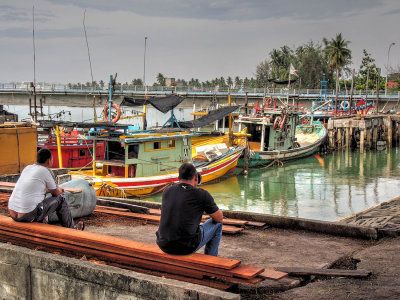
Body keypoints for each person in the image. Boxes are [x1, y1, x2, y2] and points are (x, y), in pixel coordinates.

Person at [8, 148, 84, 230]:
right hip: (27, 214)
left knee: (39, 203)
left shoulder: (28, 168)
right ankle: (71, 229)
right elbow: (56, 193)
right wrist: (60, 190)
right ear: (49, 161)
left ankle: (43, 225)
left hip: (12, 212)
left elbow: (34, 190)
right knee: (61, 199)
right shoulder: (45, 171)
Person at [156, 163, 223, 256]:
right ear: (196, 177)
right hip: (186, 247)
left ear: (179, 177)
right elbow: (219, 218)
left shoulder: (167, 191)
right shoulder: (202, 194)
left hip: (163, 244)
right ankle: (212, 260)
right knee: (218, 225)